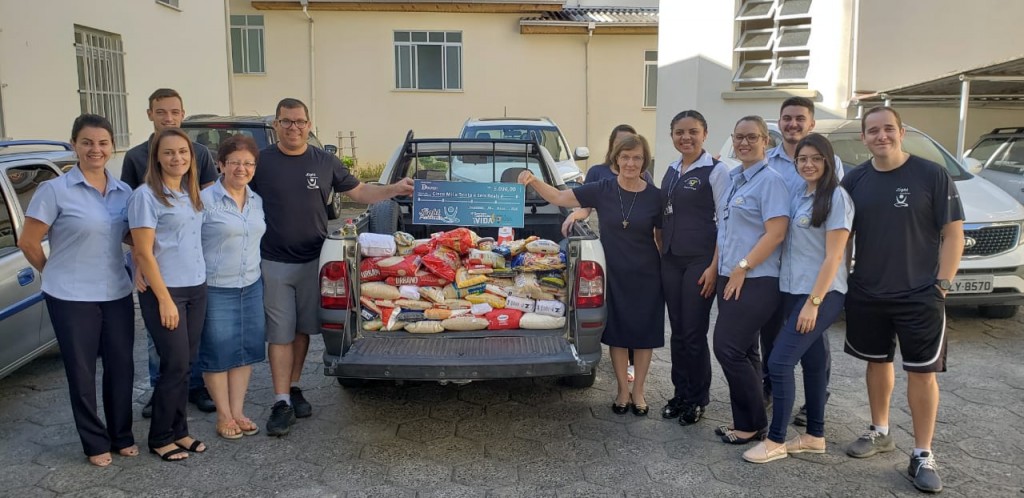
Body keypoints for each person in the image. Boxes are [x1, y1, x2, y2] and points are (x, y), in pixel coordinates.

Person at [251, 98, 413, 436]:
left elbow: (361, 191)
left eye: (299, 121)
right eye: (286, 121)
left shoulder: (324, 161)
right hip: (274, 262)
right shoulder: (260, 163)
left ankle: (294, 388)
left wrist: (394, 189)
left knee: (302, 331)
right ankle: (280, 401)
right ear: (276, 125)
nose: (293, 127)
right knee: (280, 333)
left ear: (309, 125)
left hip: (316, 260)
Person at [841, 106, 964, 494]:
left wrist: (942, 283)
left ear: (902, 131)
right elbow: (843, 238)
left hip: (919, 295)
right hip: (868, 292)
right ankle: (880, 431)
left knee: (922, 373)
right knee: (876, 364)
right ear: (864, 138)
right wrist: (844, 281)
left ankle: (923, 454)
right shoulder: (855, 181)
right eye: (873, 131)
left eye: (888, 129)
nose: (881, 136)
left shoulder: (931, 175)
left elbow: (953, 233)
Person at [18, 114, 137, 467]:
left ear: (111, 147)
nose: (95, 149)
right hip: (70, 297)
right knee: (82, 371)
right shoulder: (54, 191)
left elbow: (132, 237)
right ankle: (94, 442)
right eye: (87, 142)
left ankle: (122, 434)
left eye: (102, 143)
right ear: (75, 145)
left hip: (115, 290)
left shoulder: (123, 192)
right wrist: (52, 272)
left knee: (121, 366)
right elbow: (28, 242)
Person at [518, 134, 664, 417]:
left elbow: (660, 238)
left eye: (636, 158)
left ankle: (640, 392)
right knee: (619, 335)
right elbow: (560, 197)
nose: (630, 163)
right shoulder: (602, 189)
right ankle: (622, 390)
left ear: (644, 161)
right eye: (625, 157)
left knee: (645, 336)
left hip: (647, 274)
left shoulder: (655, 197)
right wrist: (533, 180)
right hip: (613, 273)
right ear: (616, 159)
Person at [742, 133, 853, 464]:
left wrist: (813, 303)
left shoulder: (836, 198)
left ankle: (775, 441)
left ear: (828, 162)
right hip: (792, 291)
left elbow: (834, 258)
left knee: (778, 361)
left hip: (821, 294)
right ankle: (814, 435)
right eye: (802, 159)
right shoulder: (799, 195)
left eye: (815, 158)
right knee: (814, 363)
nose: (808, 164)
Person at [121, 88, 219, 418]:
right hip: (160, 273)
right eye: (161, 112)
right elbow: (131, 219)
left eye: (174, 112)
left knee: (189, 343)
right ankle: (159, 391)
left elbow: (204, 207)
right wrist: (139, 262)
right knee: (159, 340)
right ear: (150, 114)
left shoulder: (200, 153)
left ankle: (192, 387)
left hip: (191, 272)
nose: (168, 117)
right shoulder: (136, 158)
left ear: (182, 114)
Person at [762, 96, 845, 420]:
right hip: (777, 264)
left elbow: (836, 230)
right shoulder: (767, 161)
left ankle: (814, 401)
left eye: (800, 118)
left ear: (811, 124)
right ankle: (771, 388)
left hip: (813, 271)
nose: (792, 124)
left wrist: (822, 289)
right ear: (779, 122)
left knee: (811, 339)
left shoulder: (830, 171)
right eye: (787, 118)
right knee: (770, 331)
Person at [128, 128, 208, 461]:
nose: (177, 158)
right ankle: (160, 436)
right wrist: (163, 298)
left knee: (186, 364)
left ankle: (180, 432)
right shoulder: (146, 196)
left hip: (196, 286)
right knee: (173, 365)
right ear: (157, 158)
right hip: (167, 291)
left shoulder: (190, 193)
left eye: (183, 152)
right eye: (169, 153)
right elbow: (143, 251)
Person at [712, 116, 789, 445]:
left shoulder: (770, 181)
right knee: (746, 350)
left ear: (766, 141)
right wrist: (716, 267)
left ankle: (754, 423)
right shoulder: (733, 179)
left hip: (756, 279)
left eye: (752, 137)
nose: (745, 143)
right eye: (739, 137)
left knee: (726, 347)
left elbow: (776, 233)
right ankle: (747, 421)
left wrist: (743, 266)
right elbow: (725, 230)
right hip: (728, 275)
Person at [657, 110, 730, 425]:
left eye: (692, 132)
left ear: (705, 133)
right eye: (679, 132)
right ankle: (680, 392)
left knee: (694, 332)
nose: (686, 137)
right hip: (672, 260)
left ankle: (698, 399)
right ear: (672, 135)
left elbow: (726, 224)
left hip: (701, 262)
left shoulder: (717, 171)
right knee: (677, 332)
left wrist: (715, 266)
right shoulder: (671, 170)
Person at [561, 124, 649, 383]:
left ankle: (632, 363)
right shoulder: (598, 173)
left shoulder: (642, 177)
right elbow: (584, 204)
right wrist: (575, 215)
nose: (628, 154)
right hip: (604, 247)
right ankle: (606, 355)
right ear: (614, 148)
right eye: (622, 146)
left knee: (633, 309)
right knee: (611, 308)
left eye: (634, 150)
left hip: (635, 252)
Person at [199, 135, 267, 439]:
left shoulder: (256, 200)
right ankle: (223, 415)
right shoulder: (203, 201)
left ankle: (238, 411)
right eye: (236, 162)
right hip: (215, 287)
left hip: (251, 284)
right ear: (221, 164)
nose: (242, 168)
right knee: (217, 352)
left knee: (244, 350)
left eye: (249, 163)